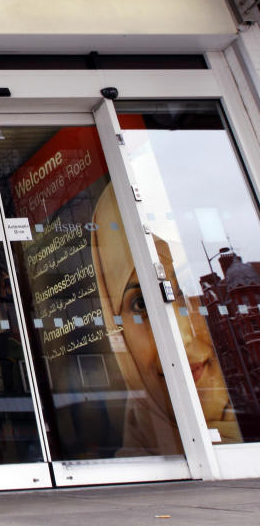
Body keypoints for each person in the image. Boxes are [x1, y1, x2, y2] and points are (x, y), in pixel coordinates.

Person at [91, 184, 240, 454]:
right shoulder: (128, 472)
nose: (181, 334)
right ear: (116, 326)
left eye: (185, 289)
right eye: (140, 304)